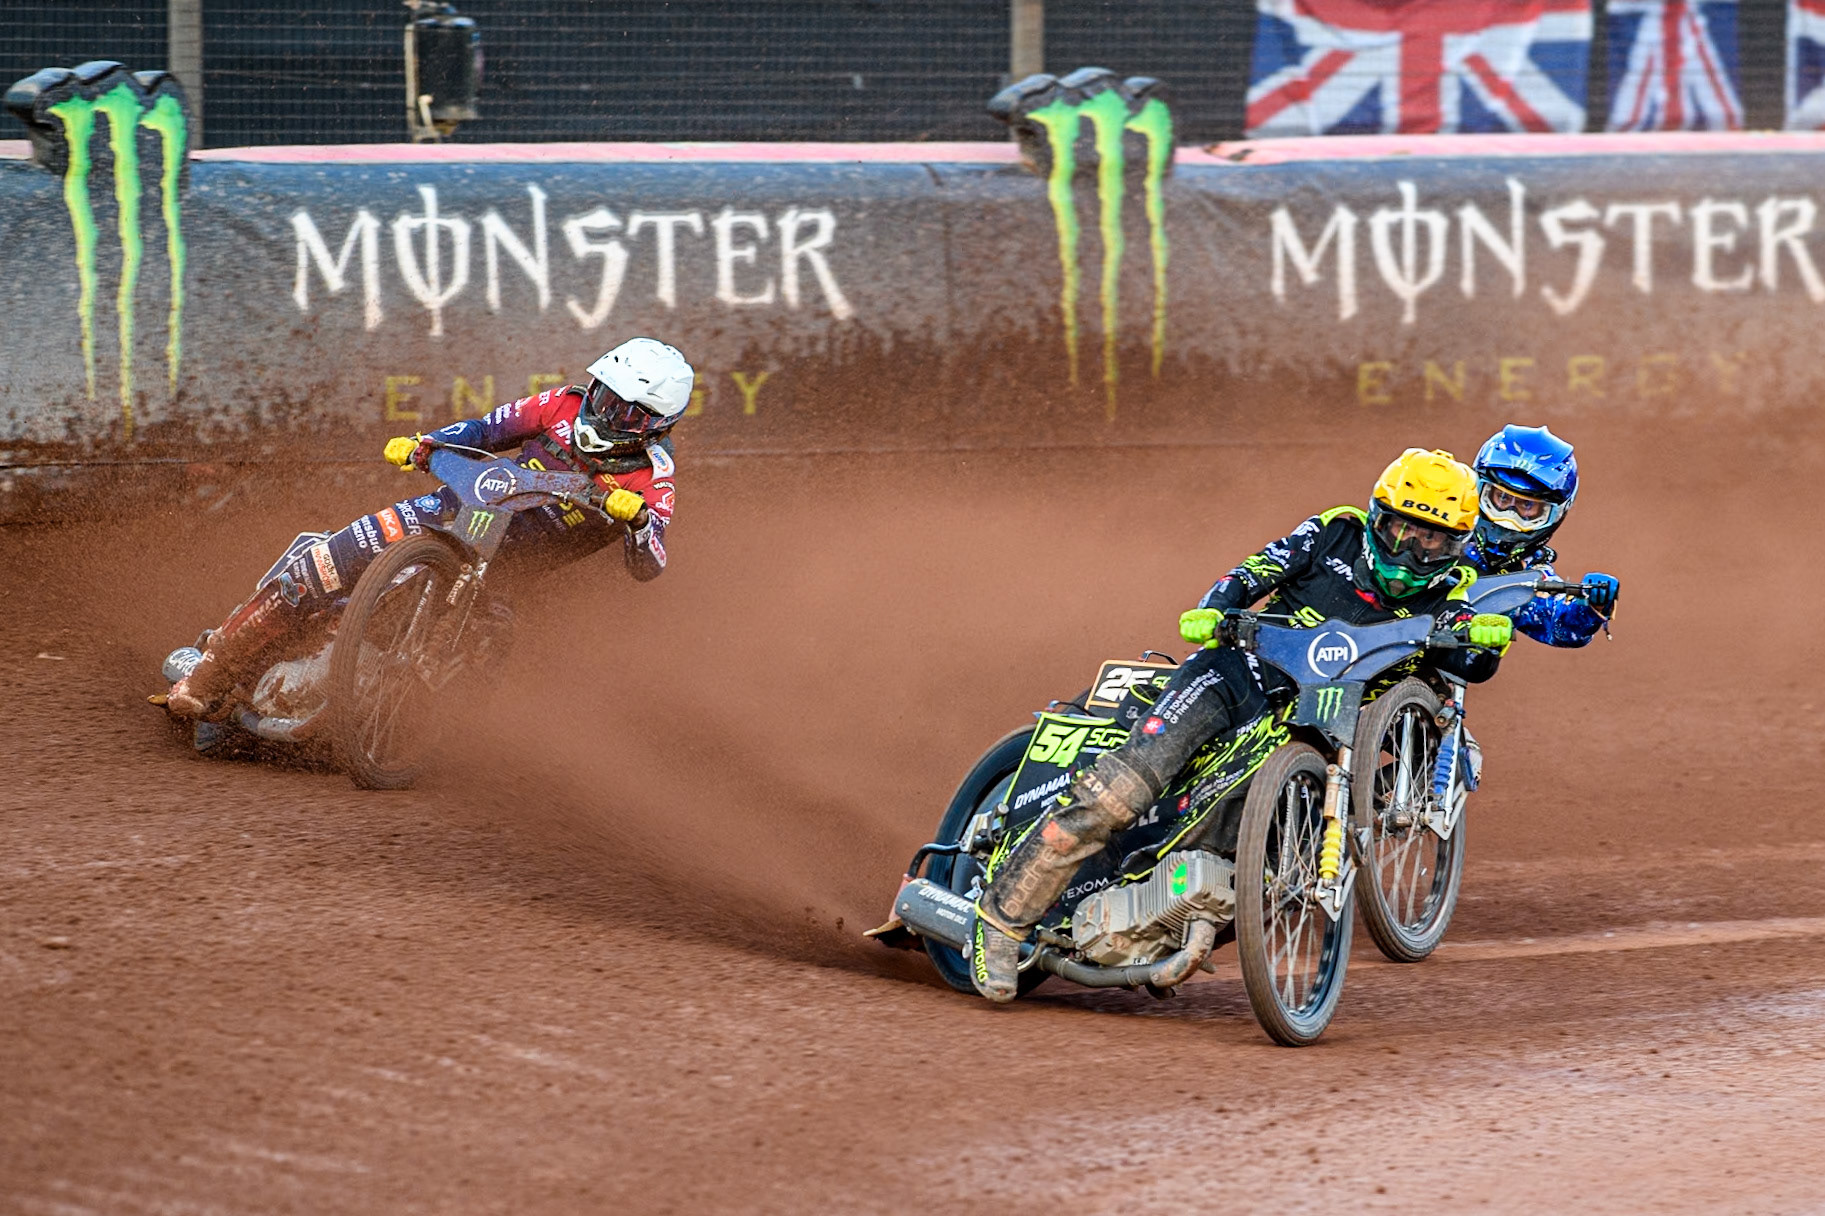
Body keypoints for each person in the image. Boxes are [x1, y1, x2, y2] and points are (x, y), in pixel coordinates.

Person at [969, 448, 1517, 1003]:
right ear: (1377, 516)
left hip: (1314, 723)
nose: (1408, 548)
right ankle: (1002, 921)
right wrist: (1216, 607)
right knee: (1119, 796)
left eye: (1429, 539)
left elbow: (1469, 648)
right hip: (1237, 676)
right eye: (1399, 527)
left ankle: (1169, 918)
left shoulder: (1458, 581)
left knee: (1258, 842)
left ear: (1454, 545)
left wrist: (1483, 639)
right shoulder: (1335, 532)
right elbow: (1257, 569)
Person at [165, 337, 693, 719]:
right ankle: (210, 673)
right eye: (604, 396)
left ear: (656, 424)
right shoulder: (560, 404)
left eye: (626, 413)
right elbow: (486, 429)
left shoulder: (653, 476)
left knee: (469, 672)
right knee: (321, 565)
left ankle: (376, 725)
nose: (604, 414)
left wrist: (640, 521)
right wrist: (427, 443)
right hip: (446, 510)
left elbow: (652, 565)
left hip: (502, 574)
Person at [1463, 424, 1619, 646]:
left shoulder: (1529, 575)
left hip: (1444, 666)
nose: (1508, 516)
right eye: (1502, 499)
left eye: (1527, 506)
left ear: (1555, 513)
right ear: (1477, 489)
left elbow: (1559, 623)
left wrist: (1591, 606)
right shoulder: (1444, 533)